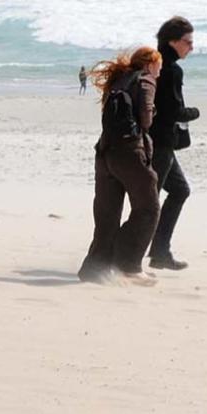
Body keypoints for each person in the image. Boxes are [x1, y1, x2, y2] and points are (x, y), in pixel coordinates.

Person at [78, 46, 163, 285]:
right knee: (148, 208)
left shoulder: (118, 81)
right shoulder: (145, 80)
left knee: (107, 214)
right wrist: (152, 111)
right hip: (131, 153)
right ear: (149, 64)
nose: (160, 72)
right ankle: (128, 264)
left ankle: (95, 268)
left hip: (104, 152)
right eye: (159, 66)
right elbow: (145, 119)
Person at [149, 16, 200, 271]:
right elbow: (173, 111)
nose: (191, 47)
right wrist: (194, 112)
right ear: (173, 41)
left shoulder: (153, 63)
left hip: (154, 141)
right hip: (160, 143)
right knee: (150, 200)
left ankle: (159, 252)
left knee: (176, 191)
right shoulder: (170, 70)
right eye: (188, 42)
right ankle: (134, 254)